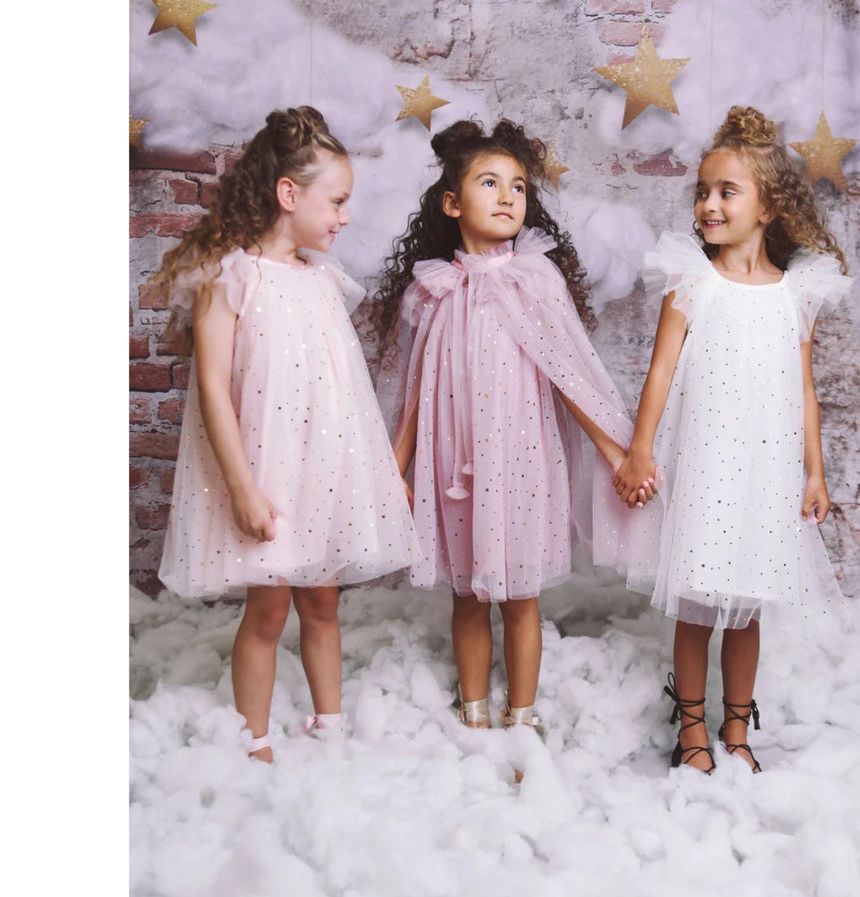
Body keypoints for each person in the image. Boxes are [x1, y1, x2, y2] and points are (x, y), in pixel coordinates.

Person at [154, 106, 420, 762]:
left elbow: (342, 398)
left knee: (323, 605)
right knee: (269, 612)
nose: (345, 217)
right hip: (268, 476)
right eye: (338, 201)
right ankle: (256, 740)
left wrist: (369, 480)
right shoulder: (231, 276)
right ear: (288, 194)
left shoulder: (322, 281)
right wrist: (242, 489)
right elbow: (212, 389)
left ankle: (329, 724)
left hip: (320, 475)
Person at [371, 118, 653, 739]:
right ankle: (472, 715)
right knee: (467, 595)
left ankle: (521, 717)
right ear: (452, 203)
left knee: (521, 596)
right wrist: (395, 467)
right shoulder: (432, 291)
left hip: (521, 460)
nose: (507, 197)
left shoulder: (534, 278)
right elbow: (414, 392)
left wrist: (616, 452)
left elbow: (570, 375)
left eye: (519, 187)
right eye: (490, 183)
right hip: (453, 465)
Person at [613, 106, 852, 774]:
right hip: (707, 462)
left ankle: (738, 729)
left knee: (746, 608)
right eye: (702, 191)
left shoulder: (794, 293)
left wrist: (814, 472)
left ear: (769, 206)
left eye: (726, 192)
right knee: (697, 602)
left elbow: (804, 389)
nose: (709, 205)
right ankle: (692, 729)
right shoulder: (693, 282)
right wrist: (640, 449)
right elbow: (661, 372)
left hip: (765, 469)